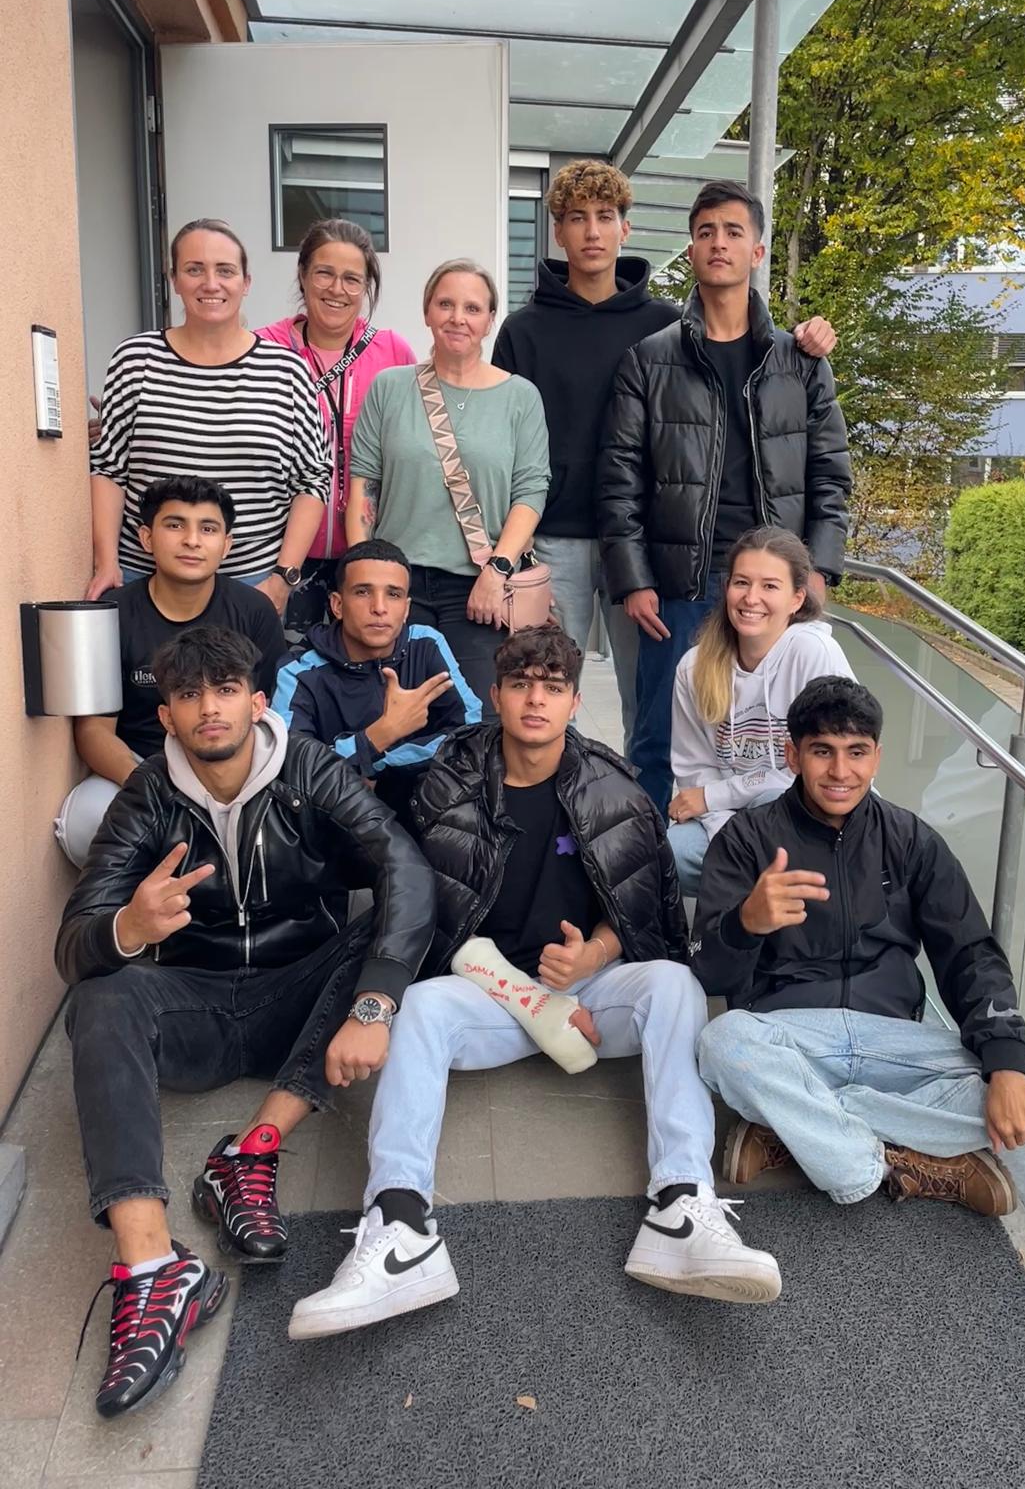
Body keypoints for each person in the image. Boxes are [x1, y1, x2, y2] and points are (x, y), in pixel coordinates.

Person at [288, 624, 781, 1340]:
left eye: (552, 688)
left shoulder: (613, 788)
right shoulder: (447, 784)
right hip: (488, 992)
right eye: (520, 685)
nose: (535, 701)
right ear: (495, 695)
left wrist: (597, 955)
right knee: (418, 1009)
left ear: (575, 702)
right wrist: (407, 1000)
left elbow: (647, 910)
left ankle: (681, 1204)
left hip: (588, 998)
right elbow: (412, 902)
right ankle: (399, 1228)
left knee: (673, 986)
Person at [57, 625, 434, 1419]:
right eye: (189, 696)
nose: (210, 709)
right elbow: (74, 944)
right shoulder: (148, 796)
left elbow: (402, 865)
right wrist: (129, 926)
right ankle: (154, 1269)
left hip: (298, 997)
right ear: (167, 716)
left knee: (406, 921)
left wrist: (373, 1007)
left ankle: (251, 1150)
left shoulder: (307, 767)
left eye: (225, 690)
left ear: (258, 701)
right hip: (195, 1003)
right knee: (100, 996)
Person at [693, 676, 1025, 1218]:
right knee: (722, 1042)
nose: (840, 771)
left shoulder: (911, 839)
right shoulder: (746, 839)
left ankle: (800, 1128)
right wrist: (744, 924)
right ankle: (889, 1162)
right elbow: (708, 972)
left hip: (892, 1041)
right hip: (793, 1037)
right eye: (822, 751)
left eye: (856, 752)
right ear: (793, 755)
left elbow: (970, 953)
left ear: (877, 757)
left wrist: (1006, 1061)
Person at [494, 158, 837, 750]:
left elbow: (824, 468)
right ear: (558, 232)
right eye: (577, 218)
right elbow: (517, 447)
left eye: (606, 217)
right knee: (546, 694)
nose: (593, 231)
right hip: (557, 537)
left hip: (661, 549)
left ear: (625, 228)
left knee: (665, 710)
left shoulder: (667, 328)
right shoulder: (528, 331)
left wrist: (820, 568)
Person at [598, 179, 853, 813]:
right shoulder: (648, 360)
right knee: (658, 739)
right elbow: (620, 478)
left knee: (789, 737)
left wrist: (818, 570)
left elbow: (831, 473)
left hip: (775, 582)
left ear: (757, 251)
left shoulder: (801, 360)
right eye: (706, 232)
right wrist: (634, 580)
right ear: (690, 249)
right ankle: (652, 865)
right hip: (679, 583)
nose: (719, 243)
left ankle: (772, 865)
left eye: (734, 232)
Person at [86, 218, 331, 616]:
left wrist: (282, 578)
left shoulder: (286, 371)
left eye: (225, 271)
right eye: (194, 269)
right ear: (174, 279)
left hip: (251, 584)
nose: (211, 283)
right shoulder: (136, 359)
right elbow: (108, 468)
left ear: (246, 282)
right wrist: (106, 562)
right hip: (142, 580)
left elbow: (312, 480)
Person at [346, 259, 550, 706]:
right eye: (445, 304)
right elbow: (364, 483)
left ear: (490, 320)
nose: (458, 318)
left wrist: (498, 571)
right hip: (396, 583)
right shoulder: (389, 388)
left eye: (472, 308)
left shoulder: (520, 397)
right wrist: (362, 575)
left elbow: (531, 492)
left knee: (481, 716)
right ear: (427, 312)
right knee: (390, 711)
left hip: (480, 587)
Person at [57, 476, 286, 867]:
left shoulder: (254, 611)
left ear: (226, 544)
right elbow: (94, 732)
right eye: (175, 525)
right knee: (84, 821)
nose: (192, 540)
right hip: (138, 765)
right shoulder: (112, 614)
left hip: (230, 767)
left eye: (208, 529)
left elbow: (264, 716)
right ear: (146, 538)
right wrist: (154, 786)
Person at [667, 526, 854, 896]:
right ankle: (751, 913)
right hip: (734, 819)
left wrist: (716, 796)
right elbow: (693, 771)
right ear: (726, 588)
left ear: (797, 598)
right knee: (672, 853)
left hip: (818, 811)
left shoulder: (813, 652)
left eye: (770, 586)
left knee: (776, 815)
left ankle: (791, 920)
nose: (751, 598)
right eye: (742, 582)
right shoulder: (694, 667)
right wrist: (731, 836)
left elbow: (824, 768)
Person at [258, 218, 417, 629]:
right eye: (324, 273)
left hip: (368, 557)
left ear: (366, 287)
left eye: (351, 279)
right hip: (276, 556)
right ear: (302, 275)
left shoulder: (393, 353)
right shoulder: (263, 349)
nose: (337, 289)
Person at [271, 537, 481, 818]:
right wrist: (379, 735)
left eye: (393, 594)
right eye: (362, 592)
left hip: (420, 808)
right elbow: (290, 766)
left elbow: (469, 731)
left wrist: (379, 765)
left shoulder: (426, 643)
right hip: (330, 818)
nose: (379, 607)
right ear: (337, 605)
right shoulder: (298, 671)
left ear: (406, 609)